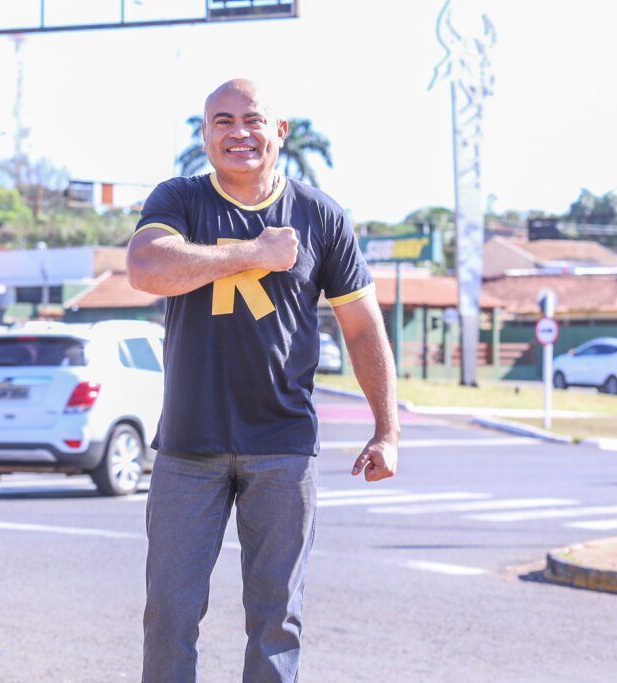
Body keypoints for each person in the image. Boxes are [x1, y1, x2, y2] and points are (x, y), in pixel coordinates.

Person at [127, 78, 400, 682]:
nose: (238, 133)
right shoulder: (179, 198)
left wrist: (387, 429)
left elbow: (361, 328)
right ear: (205, 137)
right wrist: (252, 253)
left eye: (252, 120)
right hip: (187, 447)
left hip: (283, 446)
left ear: (279, 132)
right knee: (169, 613)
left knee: (278, 620)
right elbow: (146, 268)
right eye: (221, 122)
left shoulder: (319, 214)